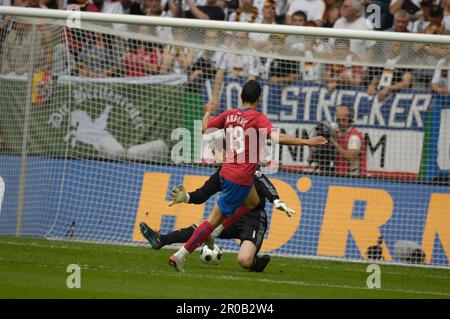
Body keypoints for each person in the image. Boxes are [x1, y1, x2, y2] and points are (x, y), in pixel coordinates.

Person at [168, 80, 327, 272]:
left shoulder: (229, 114)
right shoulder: (258, 118)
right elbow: (278, 138)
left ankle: (215, 231)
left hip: (226, 172)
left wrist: (208, 111)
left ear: (241, 96)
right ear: (258, 99)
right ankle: (180, 255)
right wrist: (307, 142)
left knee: (252, 202)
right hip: (240, 178)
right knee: (211, 221)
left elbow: (204, 129)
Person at [140, 167, 294, 272]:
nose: (213, 154)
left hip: (252, 220)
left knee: (244, 260)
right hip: (231, 217)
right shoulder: (221, 174)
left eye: (217, 150)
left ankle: (256, 264)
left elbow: (267, 187)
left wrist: (276, 201)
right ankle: (161, 240)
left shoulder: (250, 170)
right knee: (202, 228)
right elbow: (202, 194)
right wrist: (186, 197)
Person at [331, 104, 366, 176]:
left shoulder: (354, 136)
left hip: (353, 178)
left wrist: (335, 144)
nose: (340, 123)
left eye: (343, 120)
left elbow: (351, 156)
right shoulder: (337, 134)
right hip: (339, 176)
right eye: (338, 120)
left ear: (350, 120)